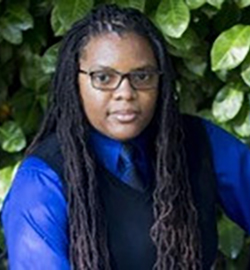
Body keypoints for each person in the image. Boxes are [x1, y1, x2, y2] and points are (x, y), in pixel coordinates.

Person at [1, 4, 250, 270]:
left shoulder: (199, 142)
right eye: (104, 77)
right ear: (74, 82)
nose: (126, 92)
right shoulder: (41, 182)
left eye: (141, 76)